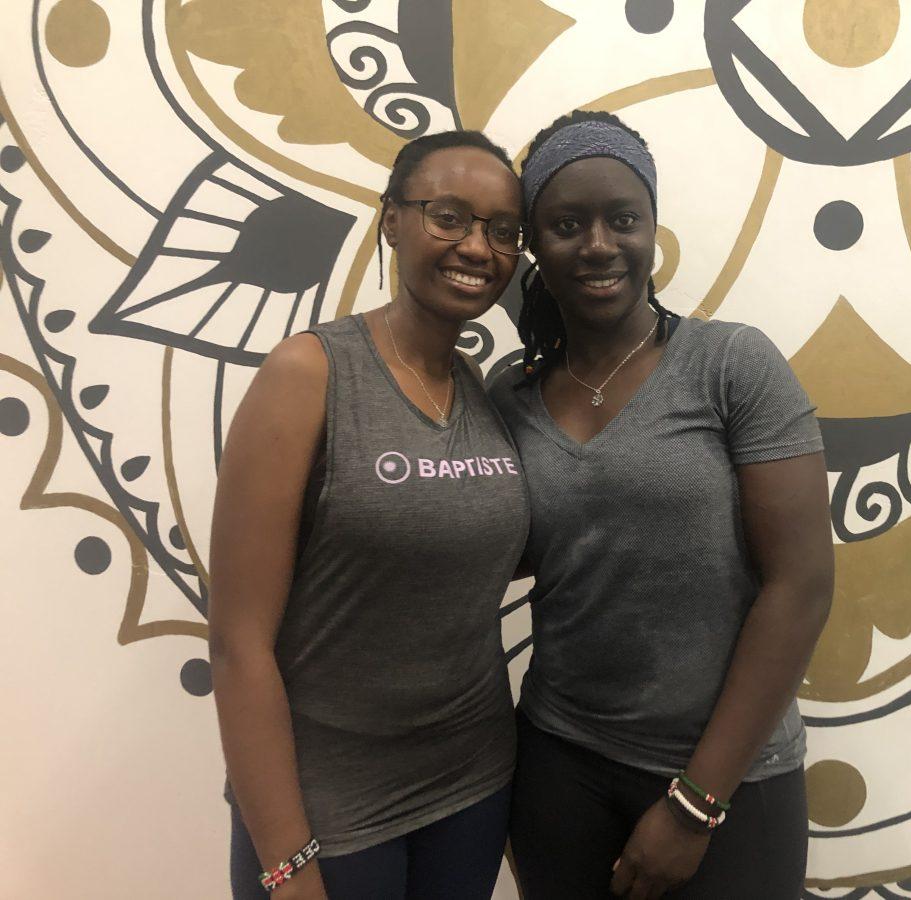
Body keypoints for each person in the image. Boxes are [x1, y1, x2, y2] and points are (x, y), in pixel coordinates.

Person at [488, 110, 835, 900]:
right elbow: (487, 550)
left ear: (652, 228)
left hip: (730, 781)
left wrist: (693, 805)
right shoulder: (510, 394)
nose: (600, 244)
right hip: (559, 763)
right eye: (567, 224)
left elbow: (802, 586)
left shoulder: (732, 365)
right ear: (534, 244)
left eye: (623, 218)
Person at [208, 130, 530, 899]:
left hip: (471, 785)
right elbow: (236, 643)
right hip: (327, 806)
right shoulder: (310, 373)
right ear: (390, 220)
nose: (477, 247)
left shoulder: (480, 390)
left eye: (501, 229)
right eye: (447, 215)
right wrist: (285, 862)